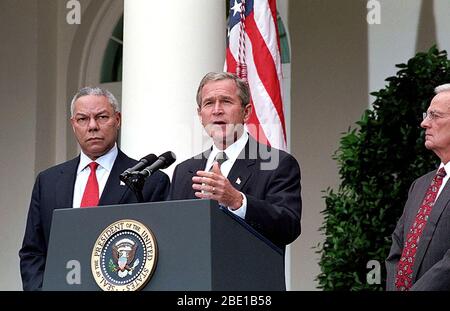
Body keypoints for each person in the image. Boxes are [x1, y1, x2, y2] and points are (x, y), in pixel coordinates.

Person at [19, 87, 170, 291]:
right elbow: (33, 252)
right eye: (82, 119)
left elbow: (161, 254)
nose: (92, 126)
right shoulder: (48, 181)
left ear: (117, 120)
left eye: (101, 117)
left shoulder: (150, 181)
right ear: (73, 125)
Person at [169, 72, 301, 249]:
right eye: (209, 103)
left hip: (246, 274)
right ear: (200, 115)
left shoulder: (277, 163)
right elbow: (173, 230)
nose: (217, 110)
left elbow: (289, 226)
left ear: (246, 113)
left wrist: (237, 201)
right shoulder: (184, 171)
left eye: (226, 101)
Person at [386, 83, 450, 291]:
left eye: (435, 115)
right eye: (426, 114)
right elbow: (397, 250)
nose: (424, 123)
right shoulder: (421, 185)